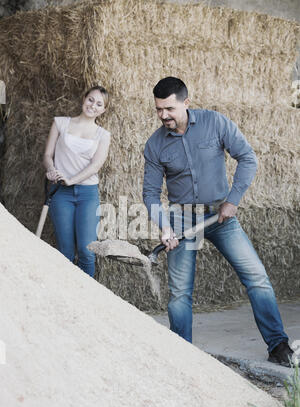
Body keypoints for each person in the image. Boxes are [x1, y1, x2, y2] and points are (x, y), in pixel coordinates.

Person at [143, 76, 294, 367]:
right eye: (159, 109)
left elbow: (248, 158)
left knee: (257, 278)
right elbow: (150, 194)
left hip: (220, 215)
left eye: (169, 109)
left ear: (186, 103)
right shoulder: (155, 145)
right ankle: (182, 353)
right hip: (183, 219)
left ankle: (278, 346)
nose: (163, 115)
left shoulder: (215, 123)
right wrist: (165, 226)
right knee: (179, 294)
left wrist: (232, 200)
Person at [43, 85, 111, 277]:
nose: (93, 106)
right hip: (60, 193)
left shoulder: (103, 135)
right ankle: (66, 300)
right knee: (65, 252)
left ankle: (87, 301)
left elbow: (95, 165)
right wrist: (51, 170)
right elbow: (48, 155)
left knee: (86, 250)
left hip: (87, 194)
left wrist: (72, 180)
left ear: (103, 110)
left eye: (99, 104)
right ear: (84, 99)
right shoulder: (60, 123)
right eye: (91, 100)